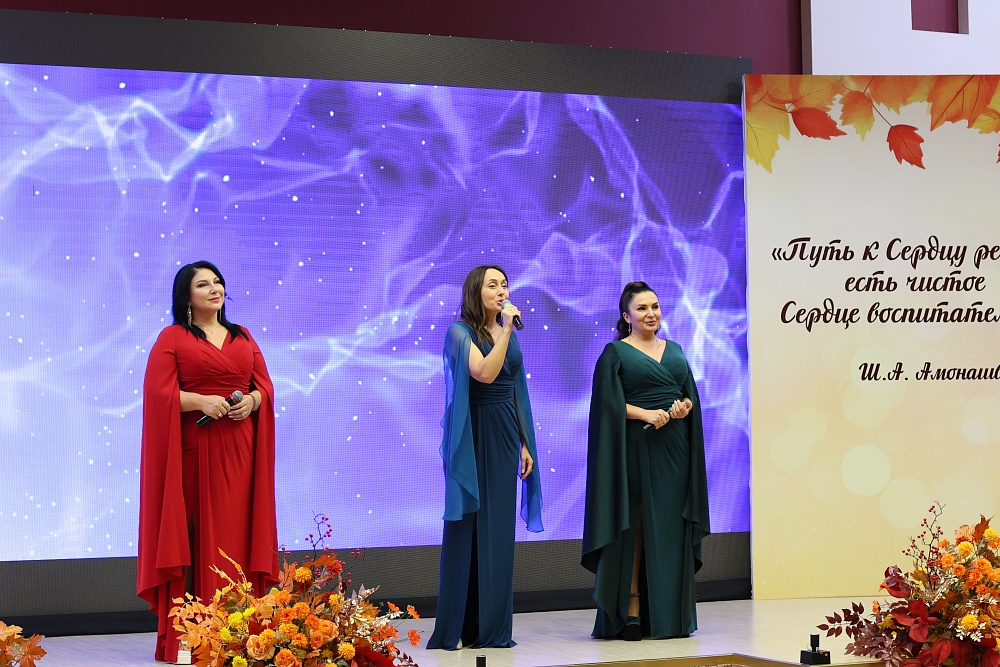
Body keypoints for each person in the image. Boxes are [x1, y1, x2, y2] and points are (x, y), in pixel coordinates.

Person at [137, 261, 279, 662]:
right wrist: (201, 401)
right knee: (196, 535)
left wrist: (252, 401)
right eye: (203, 284)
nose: (215, 288)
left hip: (241, 448)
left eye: (217, 282)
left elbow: (264, 388)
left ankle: (242, 639)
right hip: (196, 450)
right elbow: (158, 394)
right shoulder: (172, 338)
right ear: (187, 295)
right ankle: (193, 641)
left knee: (238, 532)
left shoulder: (243, 335)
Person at [581, 281, 710, 641]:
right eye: (642, 308)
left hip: (675, 447)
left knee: (672, 525)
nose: (651, 313)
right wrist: (645, 413)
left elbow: (688, 396)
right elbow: (606, 404)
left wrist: (684, 407)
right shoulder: (615, 352)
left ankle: (669, 613)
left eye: (654, 306)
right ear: (626, 316)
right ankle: (632, 608)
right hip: (637, 445)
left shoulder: (675, 349)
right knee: (635, 525)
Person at [427, 265, 543, 650]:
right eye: (492, 285)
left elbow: (516, 388)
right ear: (476, 292)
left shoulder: (508, 332)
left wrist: (525, 442)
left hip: (505, 432)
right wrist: (506, 330)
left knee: (497, 529)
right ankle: (460, 627)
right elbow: (485, 373)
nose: (501, 291)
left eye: (504, 285)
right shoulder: (459, 332)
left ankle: (491, 629)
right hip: (472, 432)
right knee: (467, 525)